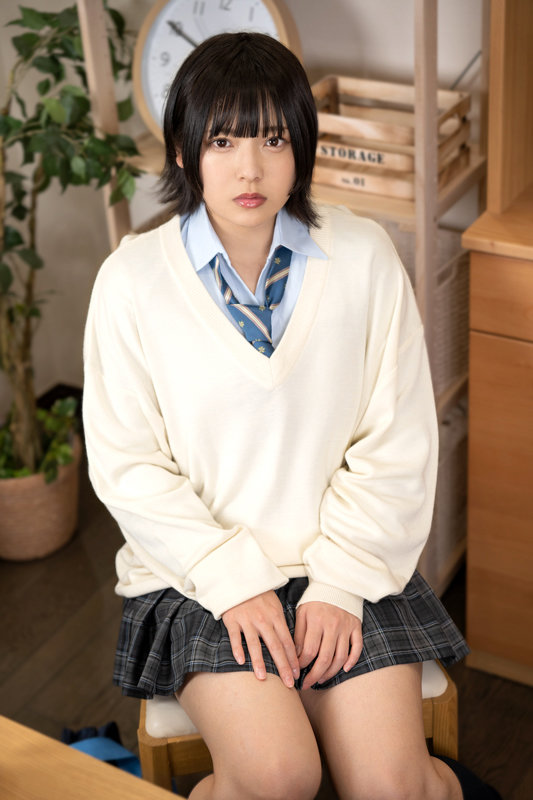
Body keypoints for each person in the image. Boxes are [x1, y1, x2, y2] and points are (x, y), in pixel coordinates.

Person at [83, 32, 501, 800]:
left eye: (273, 139)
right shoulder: (130, 283)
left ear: (302, 146)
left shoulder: (365, 257)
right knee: (279, 776)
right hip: (196, 577)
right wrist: (231, 581)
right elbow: (127, 465)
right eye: (222, 140)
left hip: (347, 562)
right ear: (182, 150)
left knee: (390, 787)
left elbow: (398, 442)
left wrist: (338, 585)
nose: (250, 168)